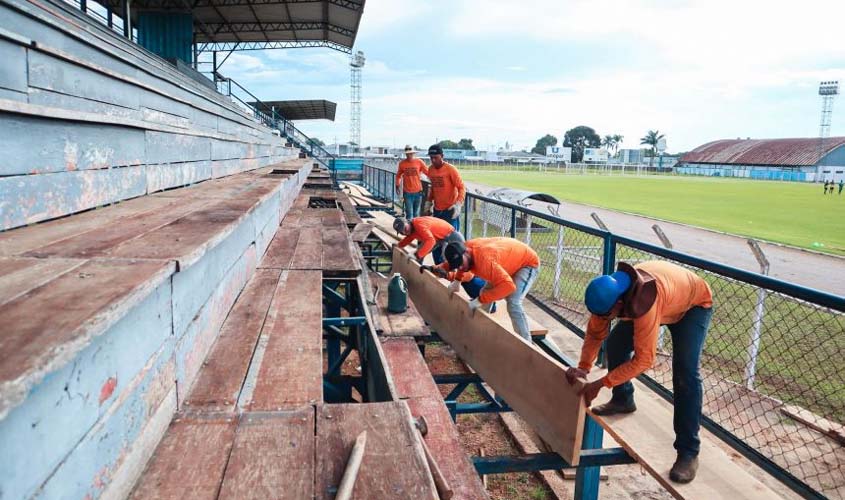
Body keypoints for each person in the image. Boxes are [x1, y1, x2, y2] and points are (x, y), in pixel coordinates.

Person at [565, 261, 713, 484]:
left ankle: (688, 452)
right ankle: (623, 399)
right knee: (616, 344)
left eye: (608, 314)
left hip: (691, 306)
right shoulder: (610, 296)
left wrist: (602, 382)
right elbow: (596, 333)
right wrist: (584, 368)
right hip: (664, 299)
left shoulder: (644, 300)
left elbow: (644, 360)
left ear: (620, 302)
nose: (605, 318)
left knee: (685, 373)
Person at [436, 238, 540, 341]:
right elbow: (459, 265)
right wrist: (456, 279)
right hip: (506, 261)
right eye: (457, 266)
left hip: (527, 263)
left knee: (513, 302)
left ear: (467, 252)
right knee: (484, 293)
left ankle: (526, 343)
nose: (461, 268)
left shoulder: (485, 262)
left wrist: (480, 300)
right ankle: (478, 331)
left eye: (461, 263)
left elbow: (509, 287)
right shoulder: (463, 249)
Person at [395, 216, 495, 311]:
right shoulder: (411, 229)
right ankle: (448, 286)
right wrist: (399, 246)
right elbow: (409, 238)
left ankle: (487, 298)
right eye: (402, 232)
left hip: (451, 238)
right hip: (441, 240)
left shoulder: (419, 225)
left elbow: (430, 241)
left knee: (466, 273)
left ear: (407, 221)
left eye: (405, 228)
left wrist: (417, 255)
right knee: (445, 265)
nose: (405, 232)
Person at [425, 144, 466, 231]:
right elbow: (433, 187)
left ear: (442, 156)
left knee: (452, 238)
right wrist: (429, 202)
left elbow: (461, 187)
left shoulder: (451, 169)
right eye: (431, 158)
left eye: (435, 157)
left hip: (450, 210)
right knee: (438, 236)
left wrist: (458, 205)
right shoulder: (430, 169)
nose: (433, 160)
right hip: (437, 210)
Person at [395, 145, 428, 219]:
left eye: (410, 153)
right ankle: (408, 230)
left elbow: (428, 172)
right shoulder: (402, 164)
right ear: (405, 154)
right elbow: (398, 175)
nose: (409, 155)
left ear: (413, 153)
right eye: (407, 153)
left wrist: (435, 178)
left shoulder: (419, 162)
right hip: (407, 192)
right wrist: (397, 185)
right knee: (409, 214)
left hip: (418, 192)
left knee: (416, 214)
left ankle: (415, 230)